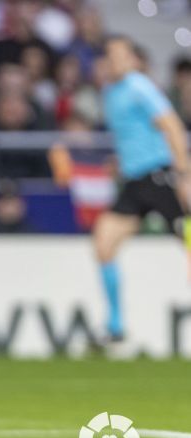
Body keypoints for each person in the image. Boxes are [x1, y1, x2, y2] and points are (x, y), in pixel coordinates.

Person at [93, 36, 190, 344]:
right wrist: (120, 161)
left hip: (160, 176)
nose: (117, 62)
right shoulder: (110, 93)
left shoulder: (139, 86)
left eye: (122, 55)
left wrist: (184, 173)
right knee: (103, 243)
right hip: (134, 182)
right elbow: (132, 135)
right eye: (111, 56)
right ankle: (116, 326)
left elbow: (171, 126)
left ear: (133, 60)